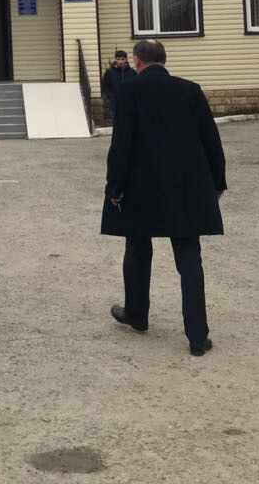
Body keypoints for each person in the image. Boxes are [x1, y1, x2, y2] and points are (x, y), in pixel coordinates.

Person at [101, 38, 226, 357]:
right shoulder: (190, 90)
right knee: (189, 258)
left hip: (141, 188)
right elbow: (211, 139)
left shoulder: (128, 91)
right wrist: (218, 182)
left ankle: (136, 313)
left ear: (136, 60)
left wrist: (115, 187)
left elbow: (121, 144)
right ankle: (197, 336)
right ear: (164, 60)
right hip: (185, 187)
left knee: (137, 247)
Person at [100, 49, 137, 121]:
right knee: (116, 122)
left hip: (129, 103)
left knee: (130, 121)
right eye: (118, 59)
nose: (120, 61)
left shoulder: (132, 72)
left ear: (126, 59)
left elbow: (136, 86)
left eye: (122, 59)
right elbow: (105, 86)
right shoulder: (109, 72)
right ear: (115, 59)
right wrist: (111, 97)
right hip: (115, 103)